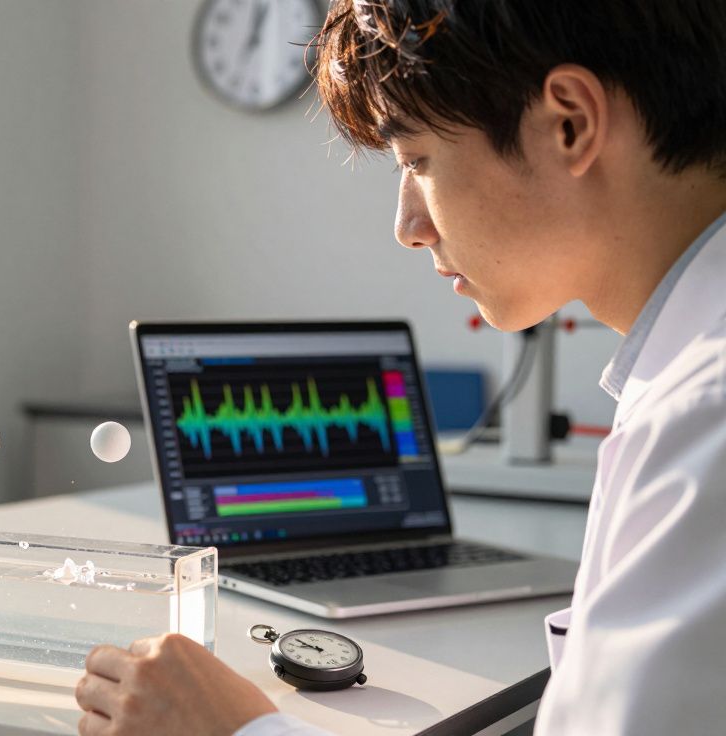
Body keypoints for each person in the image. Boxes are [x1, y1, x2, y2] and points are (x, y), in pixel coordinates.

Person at [73, 0, 726, 733]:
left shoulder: (703, 420)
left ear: (568, 122)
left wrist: (240, 729)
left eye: (417, 160)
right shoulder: (686, 381)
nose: (408, 227)